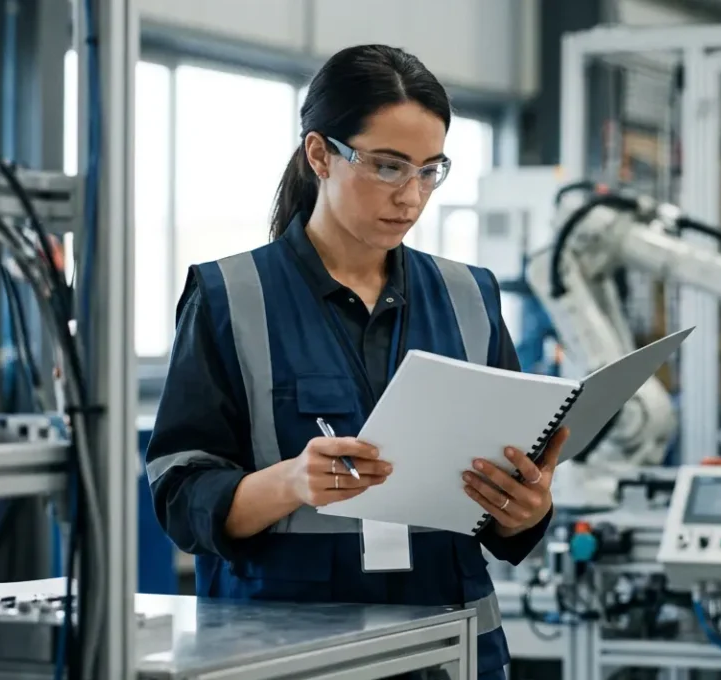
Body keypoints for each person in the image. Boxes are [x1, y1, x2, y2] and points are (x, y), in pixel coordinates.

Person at [144, 44, 564, 680]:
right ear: (319, 154)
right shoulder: (232, 296)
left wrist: (526, 511)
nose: (411, 196)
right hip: (288, 651)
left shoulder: (470, 296)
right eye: (388, 167)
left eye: (430, 171)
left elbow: (500, 490)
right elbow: (180, 494)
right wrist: (290, 482)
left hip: (451, 648)